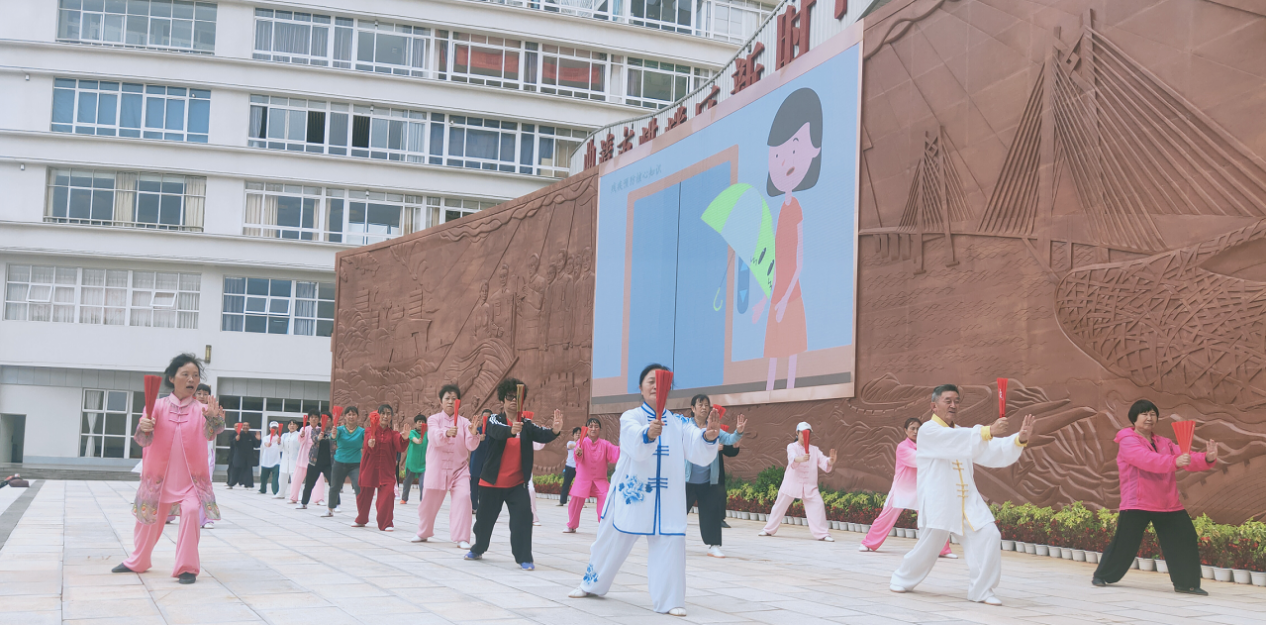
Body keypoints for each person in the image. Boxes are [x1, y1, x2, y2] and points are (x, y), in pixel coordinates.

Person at [569, 364, 720, 616]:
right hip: (632, 494)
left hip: (667, 499)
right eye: (651, 381)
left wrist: (708, 438)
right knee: (610, 541)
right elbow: (633, 443)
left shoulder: (679, 422)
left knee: (671, 541)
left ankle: (670, 600)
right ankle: (591, 585)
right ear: (640, 387)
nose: (655, 386)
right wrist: (648, 434)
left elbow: (696, 445)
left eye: (661, 383)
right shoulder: (631, 417)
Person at [889, 384, 1034, 606]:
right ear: (934, 406)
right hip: (940, 501)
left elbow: (987, 449)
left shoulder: (963, 434)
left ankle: (982, 590)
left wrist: (1017, 440)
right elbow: (956, 439)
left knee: (989, 535)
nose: (953, 405)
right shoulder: (928, 431)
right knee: (928, 548)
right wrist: (988, 430)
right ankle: (902, 578)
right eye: (948, 401)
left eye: (957, 401)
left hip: (967, 501)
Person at [112, 353, 225, 584]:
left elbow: (211, 433)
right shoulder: (156, 406)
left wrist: (215, 420)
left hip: (190, 481)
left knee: (191, 511)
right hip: (159, 479)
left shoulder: (202, 409)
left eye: (195, 375)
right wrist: (144, 426)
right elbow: (143, 440)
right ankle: (138, 561)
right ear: (172, 378)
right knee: (147, 523)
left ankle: (187, 567)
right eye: (186, 374)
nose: (192, 379)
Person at [1092, 400, 1219, 595]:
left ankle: (1186, 584)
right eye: (1144, 414)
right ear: (1134, 419)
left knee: (1184, 538)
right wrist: (1175, 461)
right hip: (1138, 502)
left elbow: (1185, 457)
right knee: (1125, 544)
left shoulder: (1164, 442)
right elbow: (1146, 460)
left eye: (1152, 414)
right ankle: (1103, 575)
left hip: (1168, 502)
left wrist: (1206, 458)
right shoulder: (1127, 441)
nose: (1149, 418)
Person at [465, 379, 563, 570]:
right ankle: (479, 547)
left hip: (517, 484)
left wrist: (555, 430)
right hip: (491, 483)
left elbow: (542, 434)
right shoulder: (494, 419)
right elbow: (495, 431)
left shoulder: (526, 424)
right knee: (484, 522)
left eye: (517, 398)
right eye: (509, 397)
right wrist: (511, 430)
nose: (513, 401)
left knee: (522, 520)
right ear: (503, 399)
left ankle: (524, 557)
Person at [860, 418, 954, 558]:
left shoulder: (927, 446)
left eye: (918, 429)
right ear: (905, 430)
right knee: (885, 518)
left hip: (921, 490)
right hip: (901, 490)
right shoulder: (902, 447)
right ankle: (868, 543)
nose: (915, 431)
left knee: (933, 518)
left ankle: (942, 550)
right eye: (912, 428)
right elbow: (918, 459)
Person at [413, 385, 481, 548]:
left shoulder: (465, 422)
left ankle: (462, 538)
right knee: (428, 503)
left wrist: (473, 433)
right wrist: (446, 433)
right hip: (437, 469)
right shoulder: (434, 419)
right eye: (447, 398)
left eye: (454, 399)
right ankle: (423, 532)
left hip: (459, 470)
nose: (450, 402)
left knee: (464, 498)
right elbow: (433, 437)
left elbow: (471, 446)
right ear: (440, 401)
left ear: (459, 402)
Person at [684, 395, 745, 557]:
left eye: (707, 405)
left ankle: (714, 546)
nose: (704, 408)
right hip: (686, 479)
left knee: (711, 513)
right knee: (677, 513)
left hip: (707, 480)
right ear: (693, 408)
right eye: (700, 405)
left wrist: (739, 432)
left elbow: (730, 439)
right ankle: (669, 541)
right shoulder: (685, 426)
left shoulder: (713, 427)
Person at [758, 422, 836, 542]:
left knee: (818, 505)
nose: (805, 435)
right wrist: (801, 459)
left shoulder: (814, 450)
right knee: (779, 506)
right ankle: (768, 529)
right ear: (797, 433)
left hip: (810, 486)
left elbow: (824, 462)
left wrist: (830, 461)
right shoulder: (791, 446)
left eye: (807, 433)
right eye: (803, 433)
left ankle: (823, 534)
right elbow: (792, 458)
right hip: (791, 484)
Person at [353, 408, 407, 531]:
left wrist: (404, 438)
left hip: (386, 471)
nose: (385, 416)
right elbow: (367, 443)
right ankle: (361, 519)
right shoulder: (369, 431)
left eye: (388, 414)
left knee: (388, 495)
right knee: (364, 496)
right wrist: (370, 444)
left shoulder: (393, 434)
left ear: (391, 417)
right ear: (378, 416)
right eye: (383, 413)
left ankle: (386, 523)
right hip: (369, 468)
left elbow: (400, 446)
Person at [564, 418, 619, 534]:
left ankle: (605, 526)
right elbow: (577, 456)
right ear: (587, 429)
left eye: (596, 426)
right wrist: (578, 453)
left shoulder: (605, 444)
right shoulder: (581, 442)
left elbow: (615, 453)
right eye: (591, 426)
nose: (593, 429)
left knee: (606, 499)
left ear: (600, 429)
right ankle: (572, 525)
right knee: (575, 502)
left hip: (600, 480)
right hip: (583, 479)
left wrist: (625, 446)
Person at [328, 407, 364, 516]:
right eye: (349, 414)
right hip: (340, 462)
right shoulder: (339, 429)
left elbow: (368, 443)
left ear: (357, 416)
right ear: (345, 416)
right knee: (335, 486)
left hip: (356, 464)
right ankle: (330, 509)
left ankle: (362, 511)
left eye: (353, 414)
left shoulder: (362, 431)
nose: (351, 417)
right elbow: (333, 437)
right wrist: (333, 434)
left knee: (358, 486)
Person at [193, 384, 216, 529]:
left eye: (205, 393)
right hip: (187, 454)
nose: (202, 396)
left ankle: (206, 519)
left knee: (205, 487)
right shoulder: (187, 409)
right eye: (199, 393)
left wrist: (213, 418)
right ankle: (169, 513)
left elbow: (217, 430)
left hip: (206, 454)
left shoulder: (212, 410)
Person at [300, 413, 334, 511]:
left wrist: (333, 435)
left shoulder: (334, 431)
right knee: (309, 483)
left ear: (331, 421)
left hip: (329, 463)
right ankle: (304, 503)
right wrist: (319, 437)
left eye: (328, 419)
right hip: (315, 462)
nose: (326, 421)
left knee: (333, 484)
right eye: (324, 419)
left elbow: (335, 440)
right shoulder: (316, 430)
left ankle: (336, 504)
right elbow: (314, 438)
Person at [291, 412, 327, 506]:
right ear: (308, 419)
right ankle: (293, 497)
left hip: (316, 459)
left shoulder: (321, 430)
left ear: (319, 419)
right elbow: (300, 441)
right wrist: (302, 435)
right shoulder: (304, 429)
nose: (314, 419)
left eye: (316, 417)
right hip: (303, 457)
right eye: (312, 417)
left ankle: (319, 499)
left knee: (318, 479)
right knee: (296, 478)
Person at [468, 409, 493, 513]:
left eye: (488, 417)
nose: (486, 419)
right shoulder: (476, 430)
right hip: (476, 461)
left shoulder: (493, 432)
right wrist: (477, 438)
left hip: (488, 462)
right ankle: (474, 506)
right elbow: (469, 442)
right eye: (484, 417)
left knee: (487, 486)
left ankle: (486, 507)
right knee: (474, 484)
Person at [400, 414, 427, 505]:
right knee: (407, 482)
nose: (421, 423)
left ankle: (423, 501)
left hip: (423, 464)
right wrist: (418, 441)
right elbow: (414, 439)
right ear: (415, 423)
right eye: (419, 422)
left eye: (423, 422)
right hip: (412, 463)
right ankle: (404, 498)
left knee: (423, 484)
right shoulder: (412, 433)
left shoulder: (427, 435)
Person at [225, 421, 259, 489]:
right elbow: (233, 444)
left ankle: (248, 485)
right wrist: (236, 440)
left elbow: (256, 445)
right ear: (242, 427)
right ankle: (231, 484)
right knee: (235, 470)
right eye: (244, 425)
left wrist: (258, 439)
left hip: (248, 456)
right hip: (239, 456)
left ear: (249, 427)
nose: (245, 427)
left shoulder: (252, 435)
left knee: (248, 470)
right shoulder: (238, 434)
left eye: (247, 425)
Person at [258, 421, 282, 497]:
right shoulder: (266, 438)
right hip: (266, 461)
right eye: (272, 428)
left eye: (275, 428)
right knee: (263, 478)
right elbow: (265, 444)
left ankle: (275, 491)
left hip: (276, 461)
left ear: (277, 429)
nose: (274, 429)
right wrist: (268, 444)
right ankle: (263, 489)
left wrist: (279, 442)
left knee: (275, 477)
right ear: (269, 428)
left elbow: (281, 448)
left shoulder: (280, 438)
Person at [280, 420, 301, 501]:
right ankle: (281, 493)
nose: (292, 426)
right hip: (285, 459)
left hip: (295, 459)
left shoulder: (299, 435)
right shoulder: (284, 435)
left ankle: (298, 494)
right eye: (290, 424)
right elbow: (280, 448)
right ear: (288, 426)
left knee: (295, 478)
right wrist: (279, 443)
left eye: (294, 424)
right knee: (282, 478)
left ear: (297, 426)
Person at [559, 427, 581, 507]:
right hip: (570, 466)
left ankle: (580, 502)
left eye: (579, 434)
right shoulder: (570, 443)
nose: (578, 435)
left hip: (579, 467)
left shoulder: (584, 444)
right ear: (573, 435)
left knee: (580, 485)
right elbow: (571, 446)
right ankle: (562, 501)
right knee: (566, 484)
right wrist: (579, 444)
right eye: (576, 434)